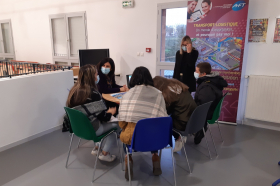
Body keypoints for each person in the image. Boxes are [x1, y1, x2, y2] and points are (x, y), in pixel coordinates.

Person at [118, 67, 168, 180]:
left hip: (134, 138)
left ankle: (128, 157)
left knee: (125, 133)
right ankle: (155, 156)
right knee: (152, 126)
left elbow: (121, 123)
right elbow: (163, 117)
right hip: (157, 139)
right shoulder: (158, 94)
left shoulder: (127, 95)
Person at [66, 64, 118, 162]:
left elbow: (90, 112)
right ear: (92, 77)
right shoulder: (93, 93)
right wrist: (110, 112)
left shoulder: (73, 91)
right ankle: (105, 154)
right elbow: (104, 118)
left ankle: (97, 148)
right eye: (96, 74)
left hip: (78, 128)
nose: (97, 76)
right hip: (92, 129)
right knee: (116, 125)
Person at [153, 76, 197, 153]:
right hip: (192, 118)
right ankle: (179, 137)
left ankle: (178, 137)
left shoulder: (168, 94)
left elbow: (165, 112)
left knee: (157, 124)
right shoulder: (177, 85)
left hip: (183, 122)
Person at [193, 62, 228, 144]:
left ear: (204, 73)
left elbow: (203, 105)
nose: (195, 73)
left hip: (206, 113)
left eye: (197, 71)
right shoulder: (214, 80)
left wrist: (191, 105)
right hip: (211, 110)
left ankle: (194, 131)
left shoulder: (207, 86)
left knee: (181, 111)